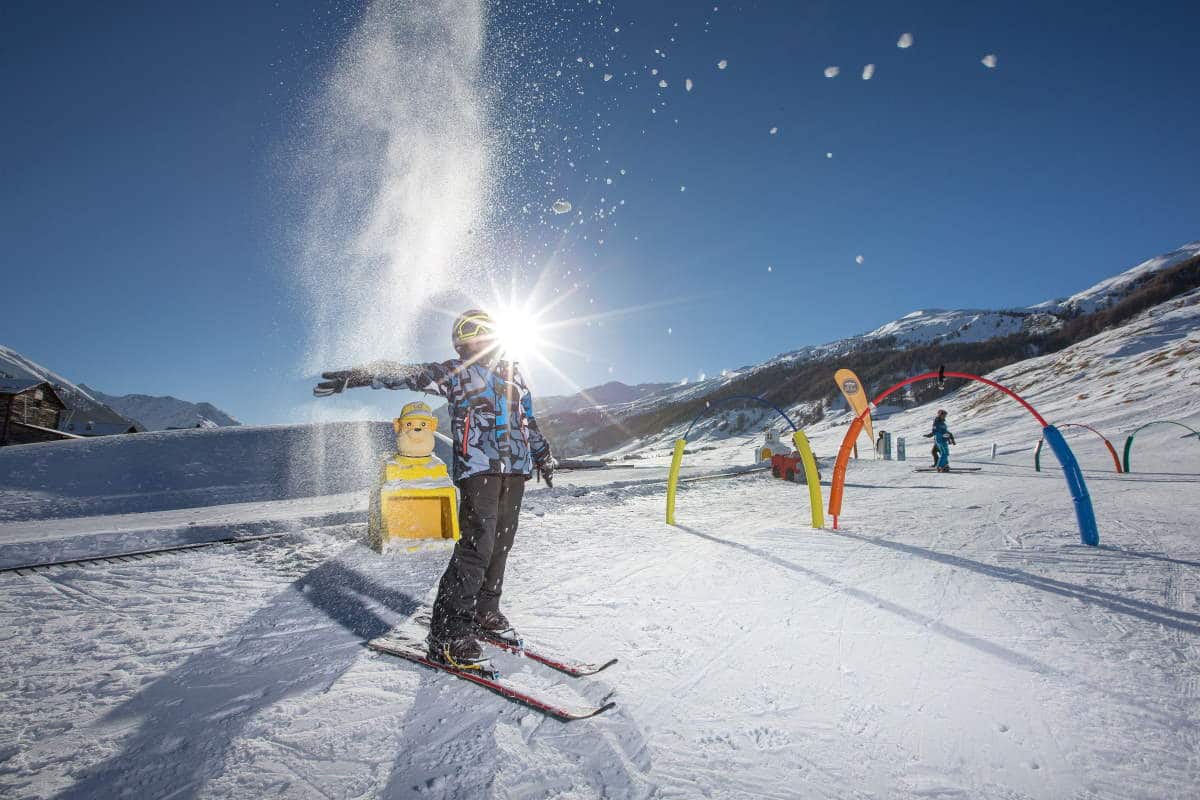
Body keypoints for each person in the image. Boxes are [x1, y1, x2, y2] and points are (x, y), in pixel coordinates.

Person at [313, 309, 556, 668]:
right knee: (477, 547)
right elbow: (408, 373)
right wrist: (361, 374)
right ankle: (448, 631)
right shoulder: (455, 373)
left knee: (501, 544)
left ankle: (485, 611)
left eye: (473, 330)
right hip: (479, 469)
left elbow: (526, 420)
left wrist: (543, 455)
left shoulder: (514, 373)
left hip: (515, 470)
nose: (466, 337)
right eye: (461, 332)